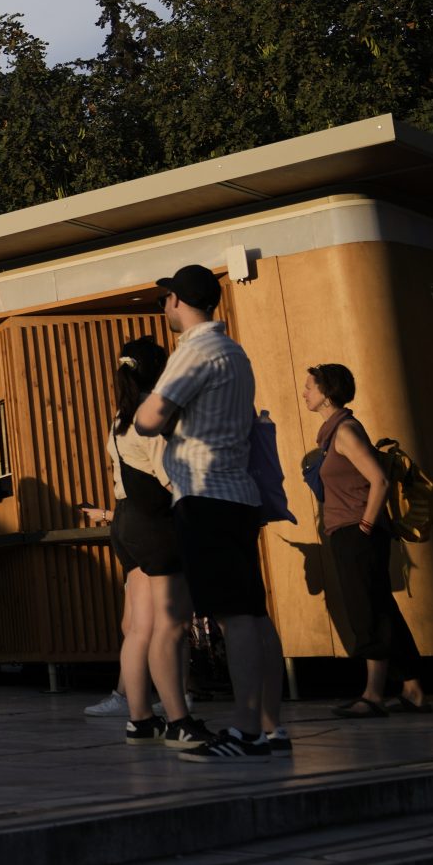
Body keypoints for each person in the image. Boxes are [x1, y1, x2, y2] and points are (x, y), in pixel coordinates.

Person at [131, 262, 282, 762]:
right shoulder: (234, 351)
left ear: (176, 301)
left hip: (205, 492)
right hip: (239, 494)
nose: (165, 308)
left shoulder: (193, 350)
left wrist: (158, 405)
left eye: (165, 300)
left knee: (234, 617)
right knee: (255, 617)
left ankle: (245, 733)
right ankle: (268, 727)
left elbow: (148, 420)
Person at [76, 340, 201, 746]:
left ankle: (139, 717)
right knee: (173, 625)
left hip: (125, 521)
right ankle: (179, 716)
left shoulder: (117, 417)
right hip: (155, 524)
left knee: (138, 628)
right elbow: (170, 477)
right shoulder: (153, 415)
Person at [304, 363, 429, 717]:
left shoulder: (345, 431)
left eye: (310, 387)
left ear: (327, 393)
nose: (305, 393)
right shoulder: (334, 432)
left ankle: (373, 695)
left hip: (357, 532)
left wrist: (365, 525)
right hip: (350, 531)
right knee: (382, 608)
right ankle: (413, 689)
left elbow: (379, 480)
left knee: (366, 611)